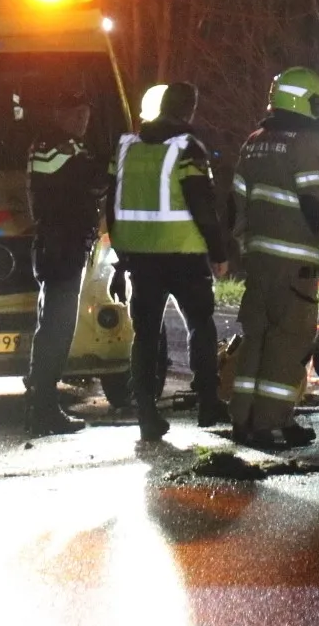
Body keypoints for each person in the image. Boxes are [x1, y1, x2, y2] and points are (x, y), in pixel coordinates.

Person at [105, 81, 230, 442]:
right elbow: (202, 205)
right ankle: (208, 402)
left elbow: (110, 201)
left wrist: (120, 254)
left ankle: (146, 413)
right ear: (189, 109)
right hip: (184, 253)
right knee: (200, 326)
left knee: (144, 335)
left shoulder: (126, 148)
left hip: (139, 257)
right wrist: (219, 253)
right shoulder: (188, 148)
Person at [230, 67, 319, 449]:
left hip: (259, 261)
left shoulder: (255, 141)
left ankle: (244, 420)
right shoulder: (310, 144)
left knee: (256, 341)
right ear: (304, 101)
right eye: (318, 102)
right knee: (289, 344)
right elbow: (317, 207)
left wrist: (245, 248)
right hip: (294, 267)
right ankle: (270, 424)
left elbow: (238, 204)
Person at [24, 90, 102, 436]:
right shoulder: (60, 147)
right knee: (57, 329)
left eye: (85, 115)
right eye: (76, 114)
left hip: (57, 245)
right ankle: (43, 408)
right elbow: (91, 182)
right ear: (58, 113)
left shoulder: (54, 144)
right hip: (62, 246)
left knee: (52, 327)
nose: (82, 121)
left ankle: (41, 403)